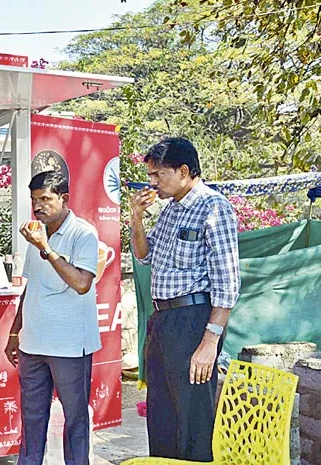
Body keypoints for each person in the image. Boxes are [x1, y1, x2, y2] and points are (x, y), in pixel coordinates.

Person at [130, 137, 240, 462]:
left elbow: (228, 284)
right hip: (162, 321)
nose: (153, 183)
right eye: (150, 176)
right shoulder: (169, 211)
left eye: (157, 175)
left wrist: (209, 343)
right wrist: (136, 218)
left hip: (193, 321)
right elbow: (144, 256)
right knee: (162, 415)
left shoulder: (214, 208)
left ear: (182, 170)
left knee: (192, 418)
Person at [4, 171, 100, 465]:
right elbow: (29, 287)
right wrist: (13, 333)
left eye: (45, 199)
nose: (39, 206)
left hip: (69, 346)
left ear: (64, 199)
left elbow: (82, 283)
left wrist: (46, 248)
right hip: (32, 344)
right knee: (32, 420)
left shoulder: (83, 233)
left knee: (75, 421)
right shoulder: (37, 231)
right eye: (35, 200)